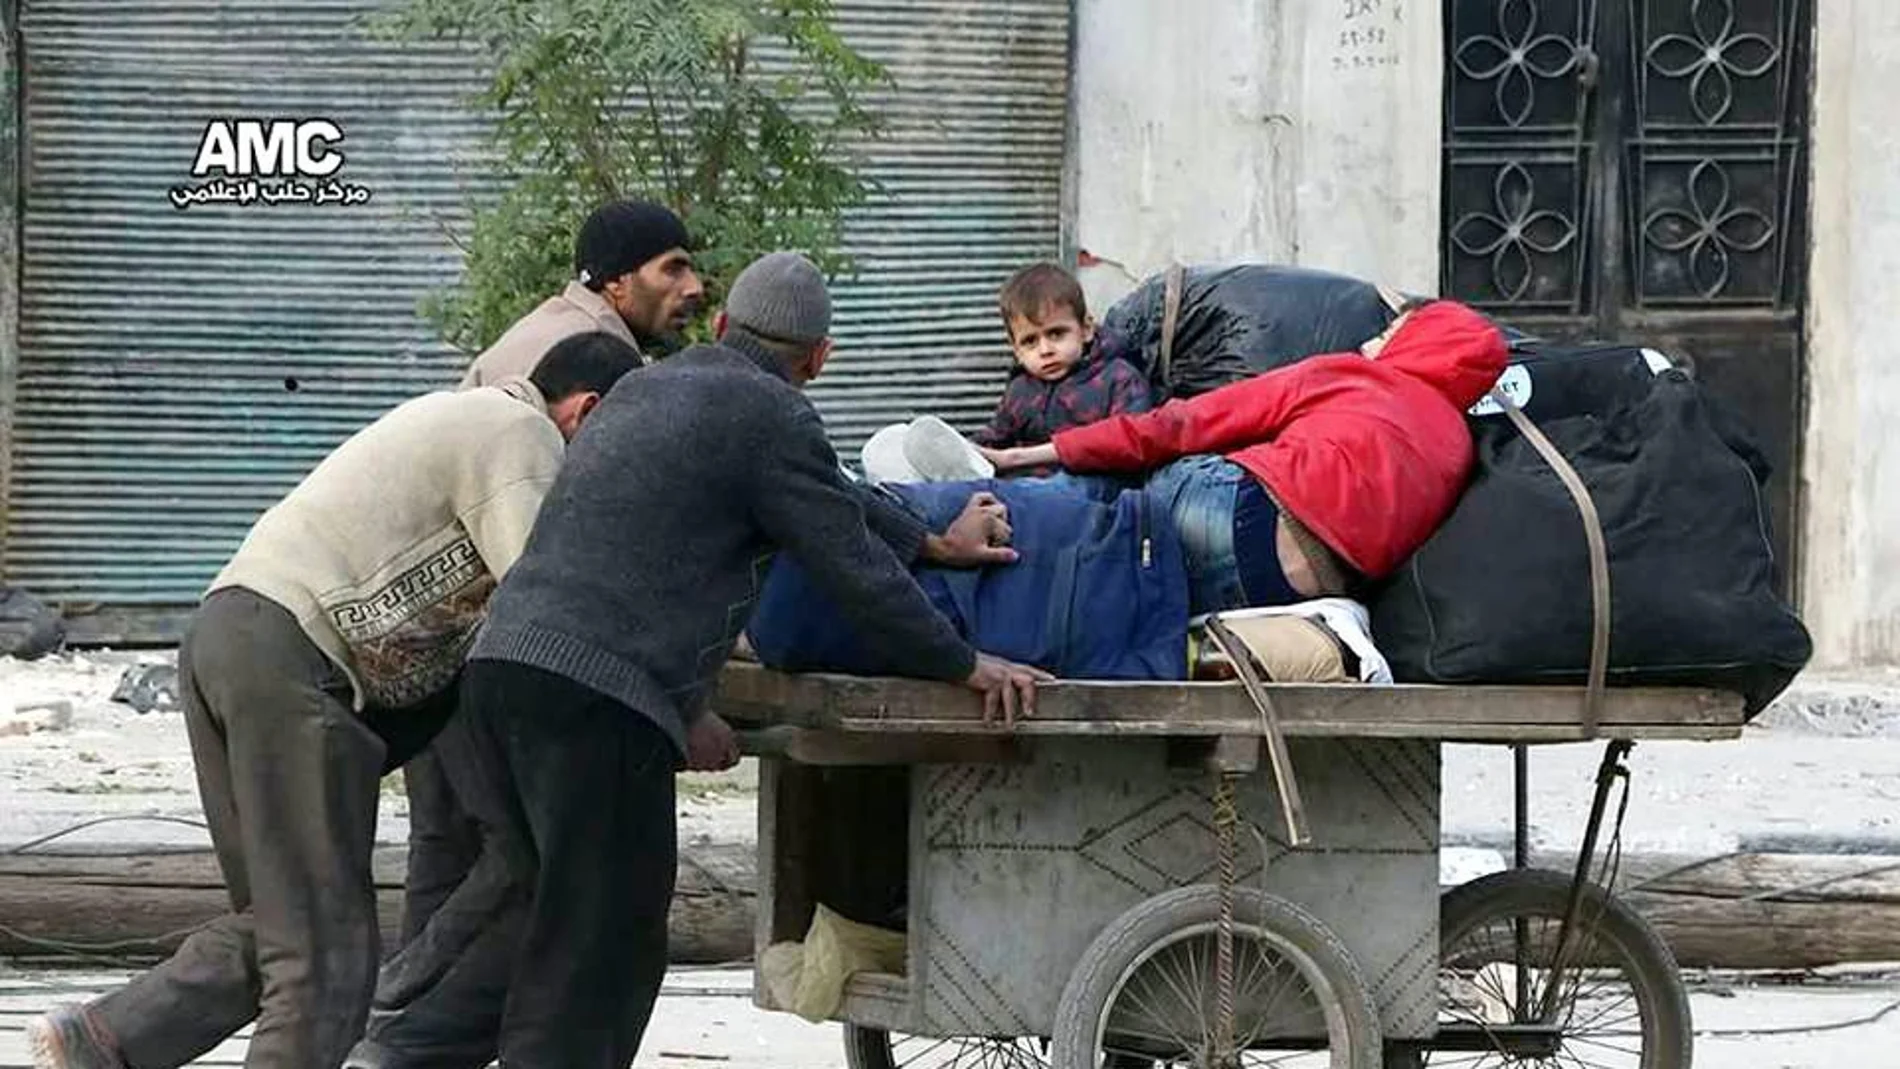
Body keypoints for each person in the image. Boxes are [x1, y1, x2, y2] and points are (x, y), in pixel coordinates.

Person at [358, 252, 1049, 1069]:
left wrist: (930, 538)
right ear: (818, 359)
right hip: (595, 702)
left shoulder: (649, 385)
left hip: (495, 673)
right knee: (604, 943)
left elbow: (832, 493)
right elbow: (852, 569)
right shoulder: (771, 418)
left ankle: (401, 1056)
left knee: (533, 903)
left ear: (723, 328)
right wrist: (963, 662)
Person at [24, 333, 645, 1069]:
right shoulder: (524, 435)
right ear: (588, 412)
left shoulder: (468, 419)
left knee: (286, 924)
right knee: (326, 959)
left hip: (232, 635)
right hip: (294, 661)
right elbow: (547, 609)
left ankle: (105, 1039)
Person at [983, 299, 1509, 615]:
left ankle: (982, 500)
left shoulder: (1356, 373)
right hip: (1284, 592)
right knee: (1115, 558)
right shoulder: (1457, 446)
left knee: (1120, 487)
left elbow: (1185, 424)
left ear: (1424, 342)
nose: (1377, 339)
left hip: (1242, 518)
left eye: (1393, 332)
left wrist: (1029, 453)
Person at [860, 261, 1155, 484]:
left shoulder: (1118, 378)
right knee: (915, 456)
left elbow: (1127, 446)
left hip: (1086, 486)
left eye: (1056, 334)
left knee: (1052, 490)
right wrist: (972, 449)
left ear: (1086, 329)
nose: (1045, 350)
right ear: (1015, 349)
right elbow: (997, 436)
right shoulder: (1022, 389)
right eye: (1030, 341)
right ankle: (915, 482)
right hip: (1018, 484)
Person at [459, 199, 703, 388]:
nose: (695, 288)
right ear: (615, 281)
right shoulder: (590, 356)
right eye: (673, 269)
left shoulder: (563, 326)